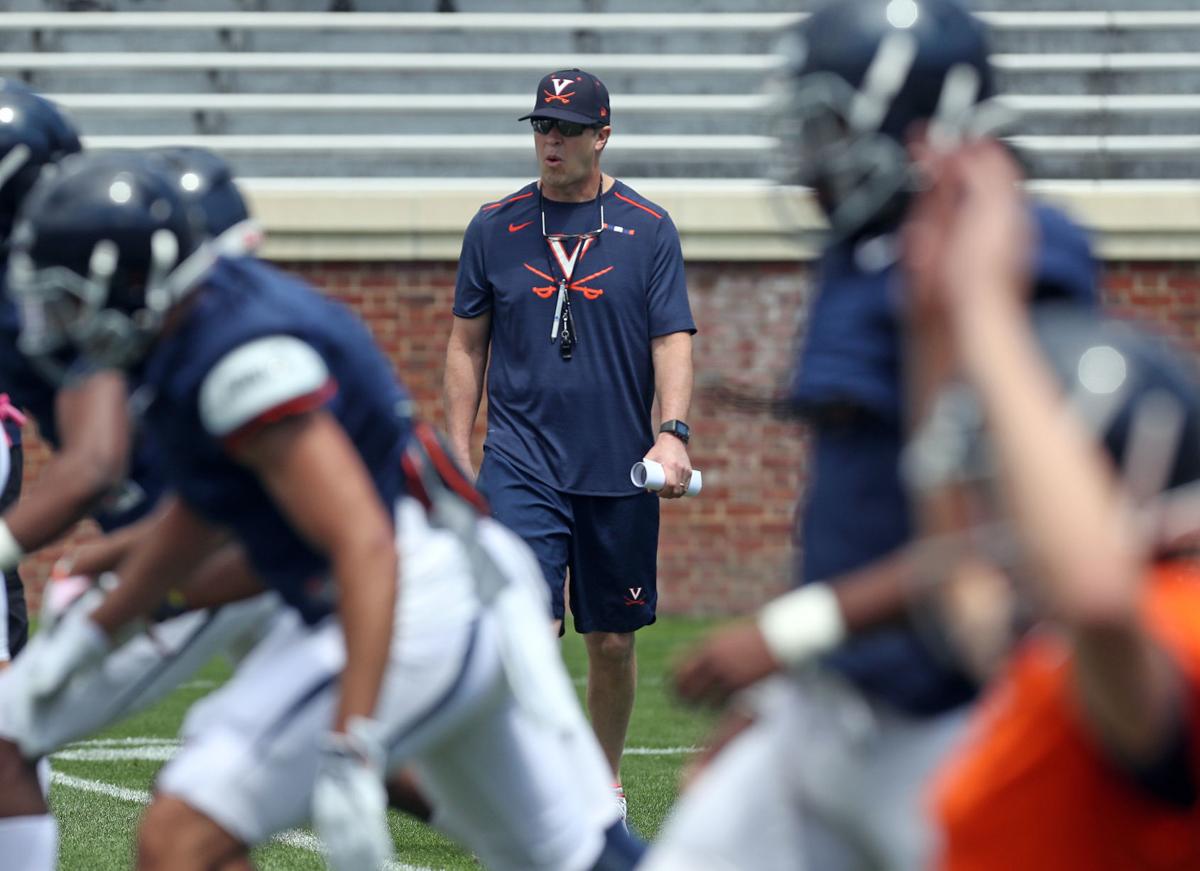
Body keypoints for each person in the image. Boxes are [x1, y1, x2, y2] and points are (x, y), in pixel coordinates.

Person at [6, 152, 642, 871]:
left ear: (130, 281)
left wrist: (351, 740)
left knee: (178, 836)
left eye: (66, 300)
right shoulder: (199, 324)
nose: (55, 324)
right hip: (442, 581)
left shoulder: (241, 360)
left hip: (415, 599)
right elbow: (212, 508)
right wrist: (103, 623)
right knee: (577, 855)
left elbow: (363, 543)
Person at [644, 2, 1096, 868]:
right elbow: (851, 503)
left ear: (911, 119)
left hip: (960, 714)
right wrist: (786, 688)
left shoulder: (1021, 261)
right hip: (840, 692)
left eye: (826, 123)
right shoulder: (864, 251)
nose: (808, 151)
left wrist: (791, 632)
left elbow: (1007, 534)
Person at [906, 140, 1200, 870]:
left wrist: (983, 308)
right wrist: (932, 315)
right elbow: (958, 578)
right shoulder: (1045, 646)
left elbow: (1100, 598)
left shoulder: (1166, 625)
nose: (1003, 517)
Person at [0, 138, 280, 871]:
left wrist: (137, 580)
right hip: (194, 544)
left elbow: (99, 463)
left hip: (226, 558)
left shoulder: (235, 335)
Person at [443, 67, 696, 811]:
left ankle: (600, 775)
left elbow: (672, 337)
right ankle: (533, 779)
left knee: (612, 641)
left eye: (568, 128)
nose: (551, 140)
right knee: (526, 622)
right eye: (542, 127)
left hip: (618, 464)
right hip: (521, 459)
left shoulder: (648, 228)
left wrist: (672, 434)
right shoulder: (495, 226)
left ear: (602, 136)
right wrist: (460, 451)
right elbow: (465, 346)